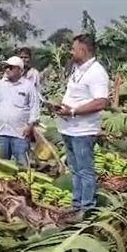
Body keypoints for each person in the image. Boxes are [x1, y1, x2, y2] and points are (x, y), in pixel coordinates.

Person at [53, 34, 109, 221]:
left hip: (83, 130)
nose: (71, 51)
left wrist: (74, 111)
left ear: (83, 50)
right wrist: (63, 108)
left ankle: (87, 209)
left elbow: (101, 102)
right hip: (69, 129)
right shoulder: (78, 70)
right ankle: (77, 205)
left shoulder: (96, 72)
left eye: (73, 48)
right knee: (75, 170)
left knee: (85, 170)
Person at [0, 56, 40, 167]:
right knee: (1, 166)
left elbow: (34, 107)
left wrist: (30, 125)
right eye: (6, 67)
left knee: (22, 166)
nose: (7, 69)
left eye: (11, 67)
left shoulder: (28, 86)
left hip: (20, 134)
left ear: (20, 70)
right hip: (1, 133)